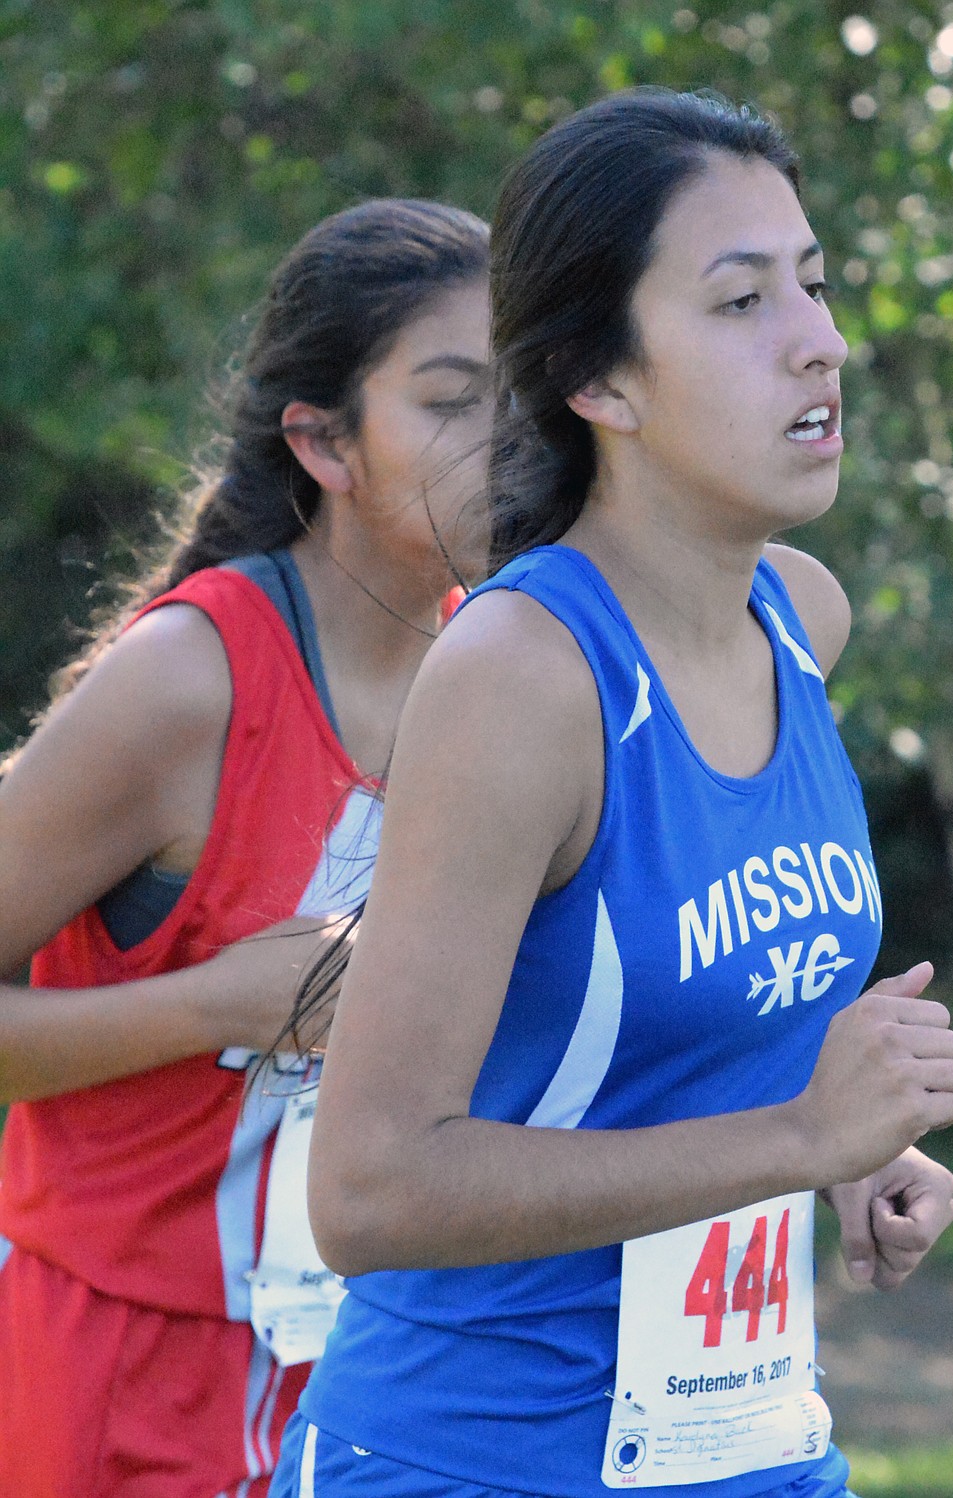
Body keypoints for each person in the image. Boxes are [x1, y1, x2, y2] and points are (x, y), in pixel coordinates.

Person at [272, 89, 953, 1498]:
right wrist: (790, 1136)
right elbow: (365, 1190)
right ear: (600, 379)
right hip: (477, 1461)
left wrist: (841, 1151)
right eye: (737, 300)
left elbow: (664, 1044)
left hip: (755, 1447)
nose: (818, 340)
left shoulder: (801, 619)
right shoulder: (524, 677)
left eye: (814, 285)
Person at [0, 198, 491, 1497]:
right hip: (124, 1370)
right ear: (324, 443)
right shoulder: (186, 680)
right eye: (454, 403)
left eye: (531, 397)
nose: (513, 445)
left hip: (376, 1365)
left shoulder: (509, 670)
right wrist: (209, 1004)